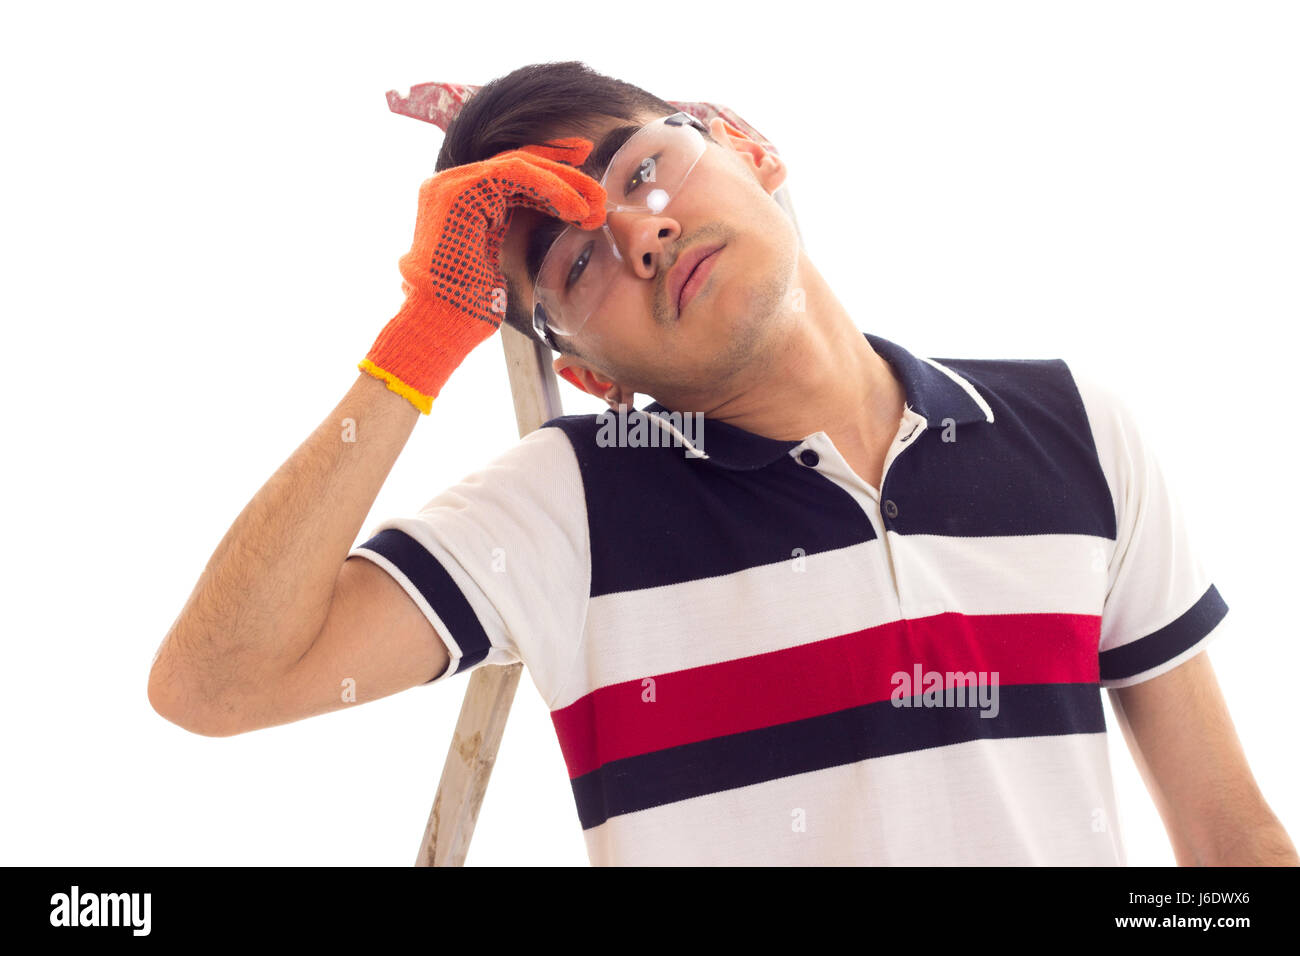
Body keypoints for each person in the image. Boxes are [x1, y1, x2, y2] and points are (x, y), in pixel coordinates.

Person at [148, 61, 1297, 867]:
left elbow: (1229, 843)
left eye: (642, 169)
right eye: (577, 262)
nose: (638, 233)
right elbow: (217, 684)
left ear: (745, 147)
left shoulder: (1072, 427)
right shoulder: (572, 507)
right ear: (589, 372)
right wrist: (429, 322)